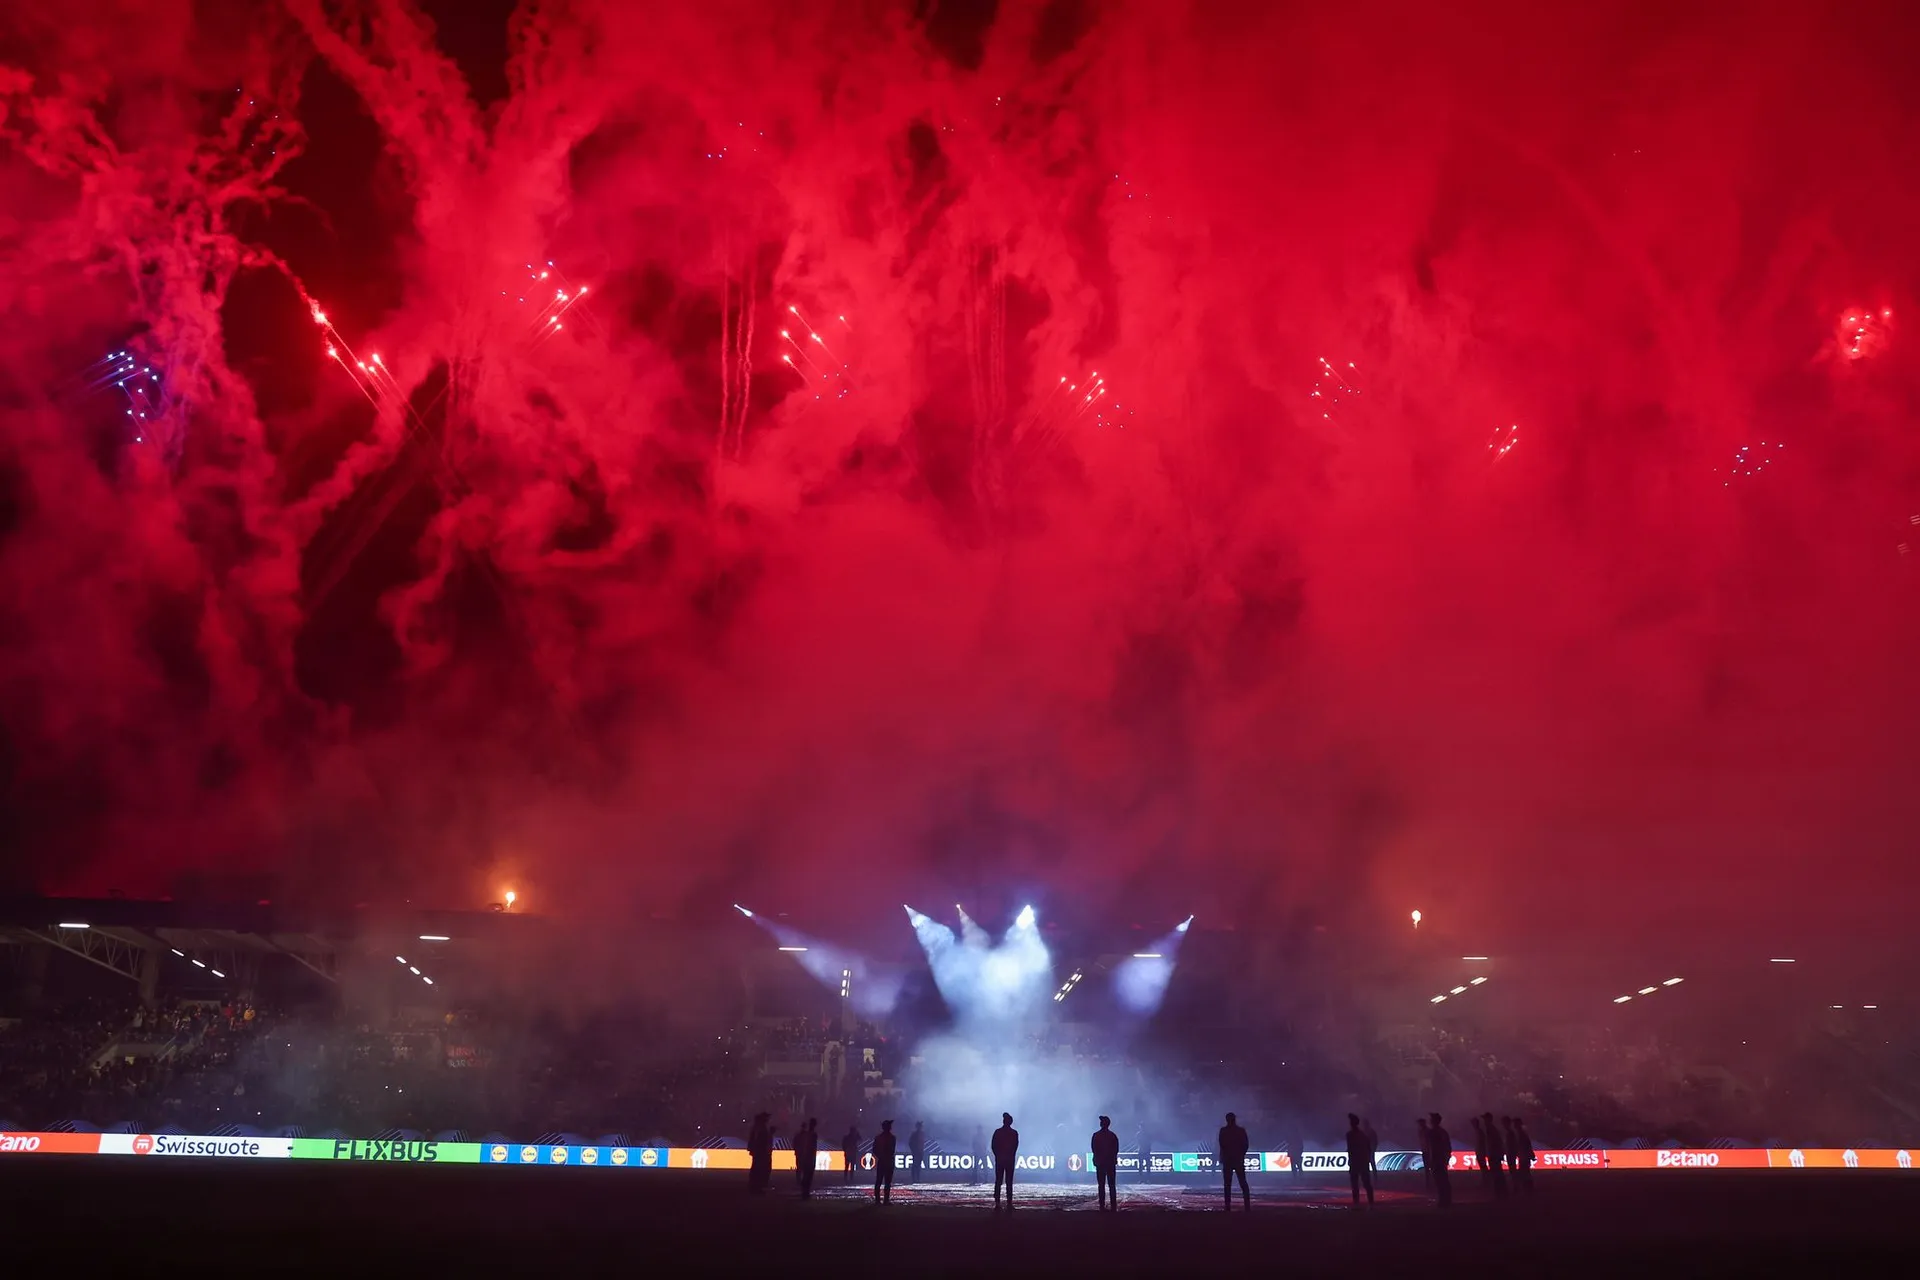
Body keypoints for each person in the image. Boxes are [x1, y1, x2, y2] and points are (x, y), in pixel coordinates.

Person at [1219, 1112, 1251, 1210]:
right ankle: (1247, 1206)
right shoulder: (1240, 1131)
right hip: (1238, 1159)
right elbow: (1245, 1145)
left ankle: (1227, 1206)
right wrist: (1241, 1155)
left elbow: (1222, 1145)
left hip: (1228, 1160)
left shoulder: (1223, 1131)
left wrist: (1224, 1157)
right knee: (1243, 1183)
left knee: (1227, 1184)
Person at [1092, 1115, 1121, 1211]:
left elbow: (1094, 1149)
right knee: (1112, 1185)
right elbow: (1116, 1149)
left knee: (1101, 1185)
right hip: (1110, 1163)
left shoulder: (1096, 1135)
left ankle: (1102, 1205)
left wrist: (1096, 1159)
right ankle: (1113, 1205)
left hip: (1101, 1163)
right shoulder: (1112, 1135)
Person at [992, 1112, 1020, 1209]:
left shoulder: (998, 1132)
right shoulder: (1014, 1133)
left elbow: (994, 1146)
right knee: (1009, 1182)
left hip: (1000, 1160)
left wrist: (998, 1156)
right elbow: (1015, 1147)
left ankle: (997, 1202)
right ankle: (1009, 1202)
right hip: (1009, 1160)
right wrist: (1010, 1156)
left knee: (998, 1181)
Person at [1345, 1113, 1374, 1206]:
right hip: (1363, 1161)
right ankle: (1370, 1202)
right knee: (1366, 1183)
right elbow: (1368, 1148)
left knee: (1355, 1184)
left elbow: (1350, 1149)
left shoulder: (1349, 1135)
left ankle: (1357, 1203)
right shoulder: (1363, 1135)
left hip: (1355, 1162)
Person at [1429, 1113, 1453, 1208]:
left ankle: (1444, 1200)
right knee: (1442, 1180)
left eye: (1431, 1119)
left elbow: (1435, 1147)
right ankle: (1445, 1200)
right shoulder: (1441, 1132)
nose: (1430, 1121)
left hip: (1438, 1159)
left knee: (1440, 1180)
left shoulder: (1436, 1132)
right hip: (1440, 1158)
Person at [1482, 1112, 1508, 1197]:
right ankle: (1501, 1191)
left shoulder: (1491, 1129)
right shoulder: (1491, 1129)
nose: (1484, 1121)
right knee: (1497, 1173)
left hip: (1494, 1155)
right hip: (1495, 1154)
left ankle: (1500, 1191)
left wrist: (1493, 1153)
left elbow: (1494, 1143)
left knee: (1497, 1173)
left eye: (1485, 1119)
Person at [872, 1120, 897, 1204]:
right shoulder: (892, 1138)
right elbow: (892, 1150)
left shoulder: (879, 1137)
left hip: (883, 1161)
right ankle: (885, 1200)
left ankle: (878, 1200)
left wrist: (880, 1156)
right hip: (888, 1161)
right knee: (886, 1182)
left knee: (880, 1181)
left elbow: (874, 1150)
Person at [747, 1113, 772, 1195]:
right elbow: (761, 1141)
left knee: (757, 1169)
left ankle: (755, 1187)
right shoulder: (761, 1129)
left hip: (759, 1152)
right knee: (758, 1170)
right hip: (760, 1153)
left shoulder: (757, 1128)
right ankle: (756, 1187)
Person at [794, 1118, 819, 1200]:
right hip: (809, 1157)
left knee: (806, 1175)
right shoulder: (812, 1135)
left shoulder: (806, 1134)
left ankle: (805, 1192)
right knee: (808, 1176)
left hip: (806, 1157)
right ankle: (805, 1193)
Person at [1511, 1117, 1535, 1194]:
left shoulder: (1521, 1134)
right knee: (1525, 1172)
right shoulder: (1521, 1133)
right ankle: (1528, 1188)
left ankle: (1528, 1189)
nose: (1514, 1125)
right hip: (1523, 1156)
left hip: (1524, 1156)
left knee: (1524, 1173)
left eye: (1515, 1123)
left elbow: (1526, 1145)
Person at [1417, 1118, 1433, 1190]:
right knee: (1428, 1168)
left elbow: (1429, 1142)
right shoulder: (1422, 1131)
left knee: (1430, 1168)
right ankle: (1429, 1183)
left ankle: (1430, 1183)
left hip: (1428, 1151)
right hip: (1426, 1151)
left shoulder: (1426, 1131)